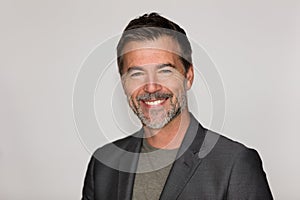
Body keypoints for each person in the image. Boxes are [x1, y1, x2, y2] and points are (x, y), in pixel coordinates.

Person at [81, 13, 273, 200]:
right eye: (137, 73)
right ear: (124, 83)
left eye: (165, 71)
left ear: (188, 77)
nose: (151, 86)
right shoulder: (103, 165)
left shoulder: (234, 164)